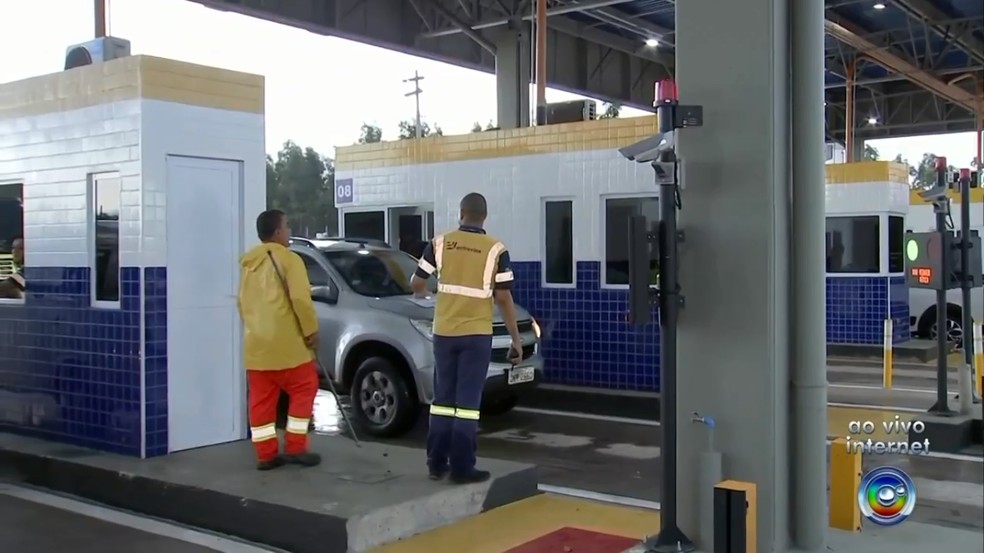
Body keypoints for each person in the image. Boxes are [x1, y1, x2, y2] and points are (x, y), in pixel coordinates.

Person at [410, 193, 523, 484]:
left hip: (444, 333)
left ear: (461, 213)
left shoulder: (440, 243)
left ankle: (436, 463)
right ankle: (462, 468)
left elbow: (417, 282)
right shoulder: (496, 250)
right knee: (467, 405)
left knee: (442, 400)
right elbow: (503, 298)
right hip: (476, 336)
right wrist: (515, 339)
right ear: (484, 216)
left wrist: (431, 296)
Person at [238, 209, 322, 470]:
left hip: (256, 346)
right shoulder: (290, 260)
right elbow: (300, 300)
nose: (289, 230)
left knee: (261, 400)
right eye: (286, 226)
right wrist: (311, 331)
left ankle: (266, 454)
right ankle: (296, 447)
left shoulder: (249, 264)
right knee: (305, 387)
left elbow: (242, 304)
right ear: (277, 232)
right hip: (288, 345)